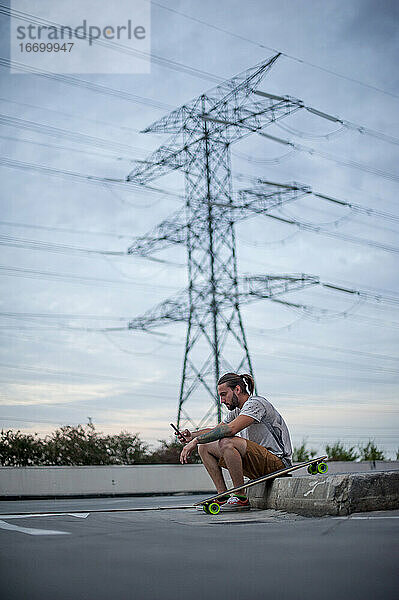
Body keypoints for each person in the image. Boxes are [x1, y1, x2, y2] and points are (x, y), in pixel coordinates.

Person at [178, 372, 292, 511]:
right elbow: (216, 429)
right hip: (258, 465)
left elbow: (230, 429)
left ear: (237, 389)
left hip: (277, 463)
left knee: (227, 442)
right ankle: (223, 495)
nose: (222, 400)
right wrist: (193, 435)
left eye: (224, 394)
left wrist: (196, 441)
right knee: (205, 446)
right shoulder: (237, 411)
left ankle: (240, 497)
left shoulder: (256, 404)